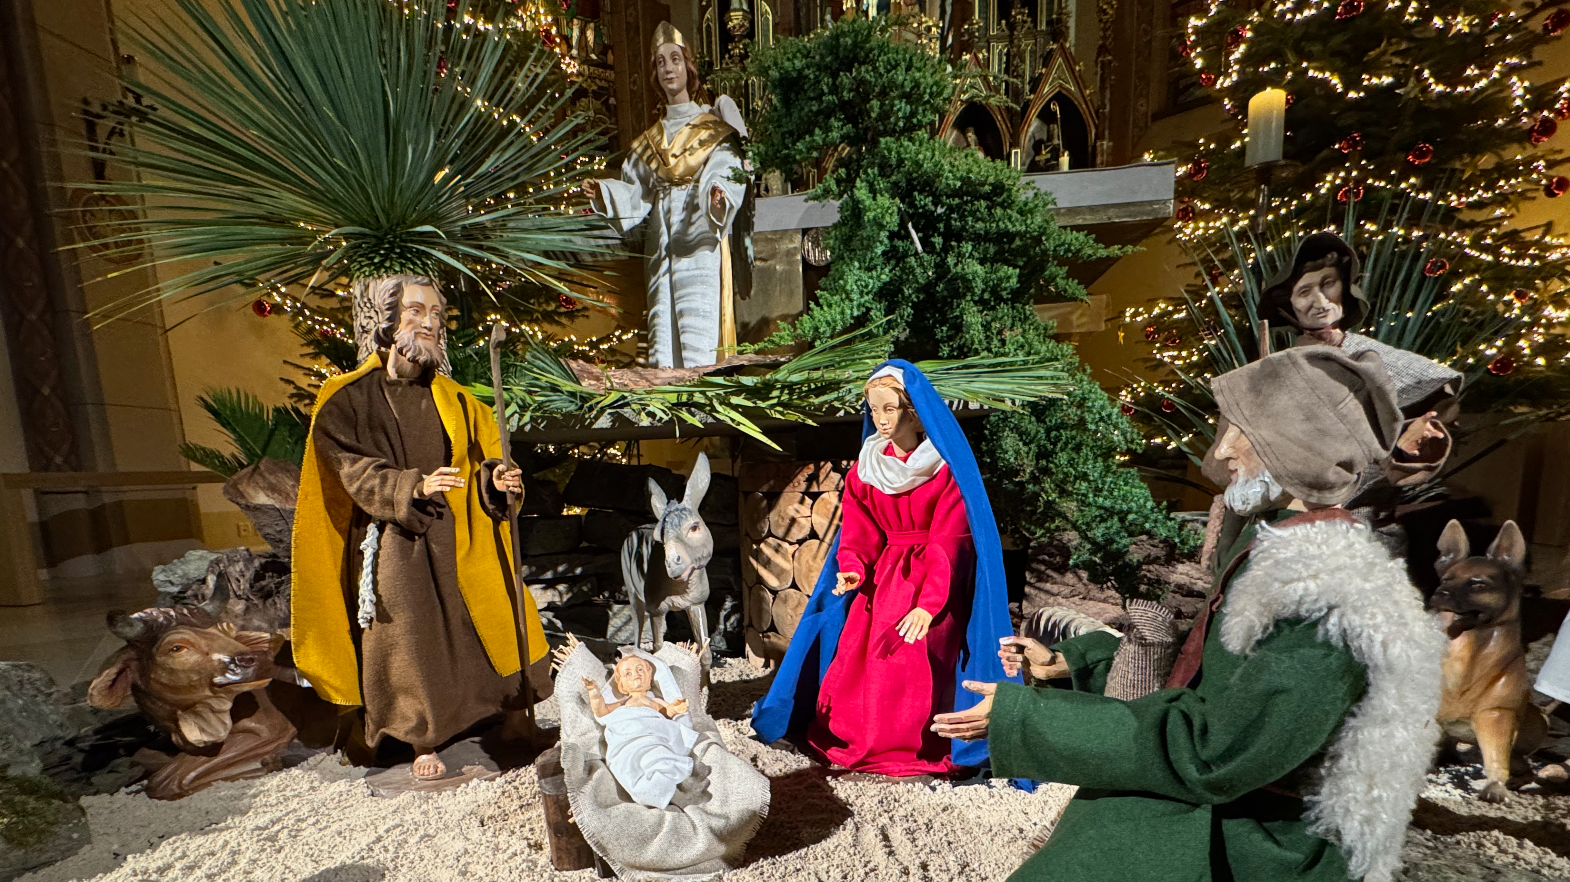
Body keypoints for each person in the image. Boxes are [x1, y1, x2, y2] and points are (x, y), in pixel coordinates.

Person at [936, 347, 1447, 882]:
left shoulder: (1327, 599)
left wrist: (1029, 718)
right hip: (1219, 805)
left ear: (1295, 446)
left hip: (1255, 843)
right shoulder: (1284, 552)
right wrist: (1081, 664)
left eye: (1241, 431)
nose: (1223, 449)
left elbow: (1220, 754)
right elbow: (1211, 681)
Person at [291, 275, 550, 780]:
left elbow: (482, 459)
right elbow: (350, 467)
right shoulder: (348, 398)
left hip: (461, 532)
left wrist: (497, 480)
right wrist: (412, 486)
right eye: (415, 312)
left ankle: (513, 713)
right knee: (409, 637)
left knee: (500, 613)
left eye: (435, 315)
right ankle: (420, 738)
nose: (428, 323)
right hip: (396, 538)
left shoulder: (458, 399)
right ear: (388, 322)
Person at [752, 362, 1014, 776]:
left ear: (916, 414)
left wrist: (929, 604)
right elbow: (859, 530)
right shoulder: (868, 469)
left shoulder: (942, 469)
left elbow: (949, 543)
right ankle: (861, 736)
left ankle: (910, 743)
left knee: (912, 662)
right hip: (881, 581)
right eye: (874, 410)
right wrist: (853, 567)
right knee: (861, 658)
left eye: (890, 409)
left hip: (930, 582)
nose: (881, 420)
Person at [581, 23, 748, 369]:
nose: (668, 68)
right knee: (663, 337)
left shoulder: (712, 127)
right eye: (660, 62)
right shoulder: (650, 140)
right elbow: (635, 192)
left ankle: (701, 397)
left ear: (688, 67)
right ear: (655, 75)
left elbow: (727, 166)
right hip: (660, 246)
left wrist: (717, 192)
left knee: (699, 336)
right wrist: (604, 192)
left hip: (698, 238)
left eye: (675, 59)